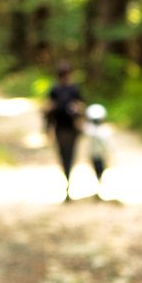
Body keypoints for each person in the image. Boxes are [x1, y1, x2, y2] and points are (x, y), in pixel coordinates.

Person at [45, 62, 84, 201]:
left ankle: (68, 182)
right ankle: (67, 182)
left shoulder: (74, 89)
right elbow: (48, 111)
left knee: (70, 156)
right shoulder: (55, 90)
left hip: (71, 128)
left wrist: (78, 113)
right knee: (64, 156)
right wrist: (48, 128)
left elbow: (81, 107)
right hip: (60, 128)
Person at [83, 103, 112, 199]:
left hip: (99, 154)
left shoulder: (101, 130)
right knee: (97, 170)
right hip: (95, 154)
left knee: (100, 170)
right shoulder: (90, 129)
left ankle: (99, 188)